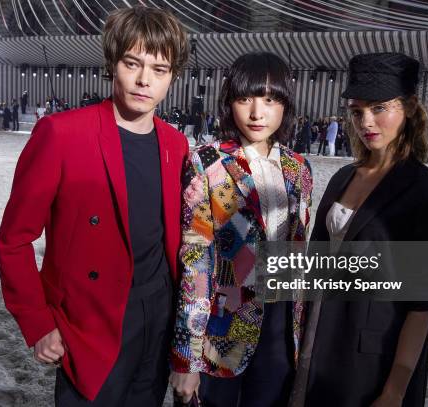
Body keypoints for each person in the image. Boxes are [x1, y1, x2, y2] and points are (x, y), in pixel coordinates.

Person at [0, 6, 189, 407]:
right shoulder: (62, 134)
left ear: (172, 76)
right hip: (91, 323)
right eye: (132, 63)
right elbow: (14, 240)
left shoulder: (177, 144)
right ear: (112, 63)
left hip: (158, 317)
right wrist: (37, 322)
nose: (143, 80)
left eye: (159, 69)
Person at [290, 52, 428, 407]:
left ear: (411, 107)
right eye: (356, 111)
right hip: (315, 337)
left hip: (370, 360)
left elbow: (422, 305)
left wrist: (395, 390)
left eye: (380, 108)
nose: (366, 121)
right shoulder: (342, 177)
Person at [170, 51, 313, 407]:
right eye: (244, 98)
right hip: (221, 328)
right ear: (229, 102)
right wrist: (187, 354)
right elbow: (195, 262)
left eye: (269, 99)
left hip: (280, 328)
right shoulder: (206, 163)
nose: (256, 112)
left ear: (285, 104)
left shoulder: (299, 168)